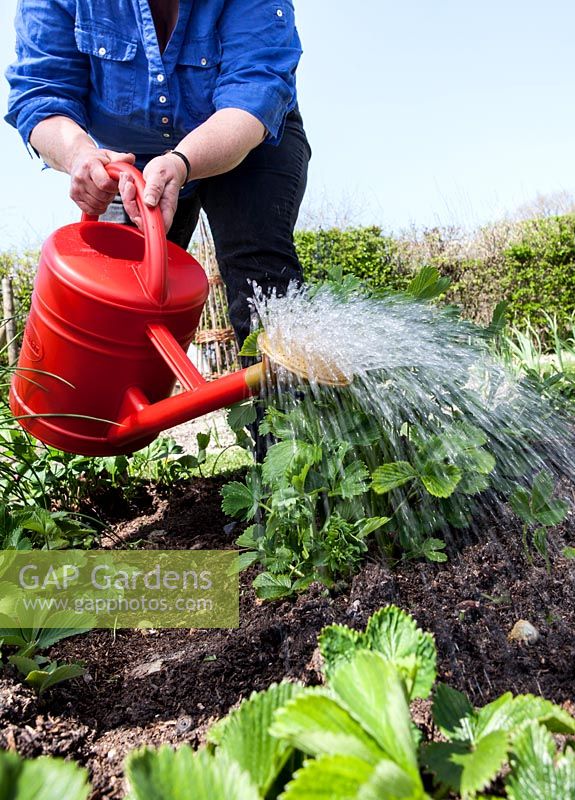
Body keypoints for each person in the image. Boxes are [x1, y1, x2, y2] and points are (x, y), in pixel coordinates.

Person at [5, 0, 311, 351]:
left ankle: (282, 403)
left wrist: (181, 162)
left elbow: (255, 91)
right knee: (117, 298)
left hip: (245, 140)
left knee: (260, 279)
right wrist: (79, 155)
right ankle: (111, 406)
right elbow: (41, 93)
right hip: (130, 159)